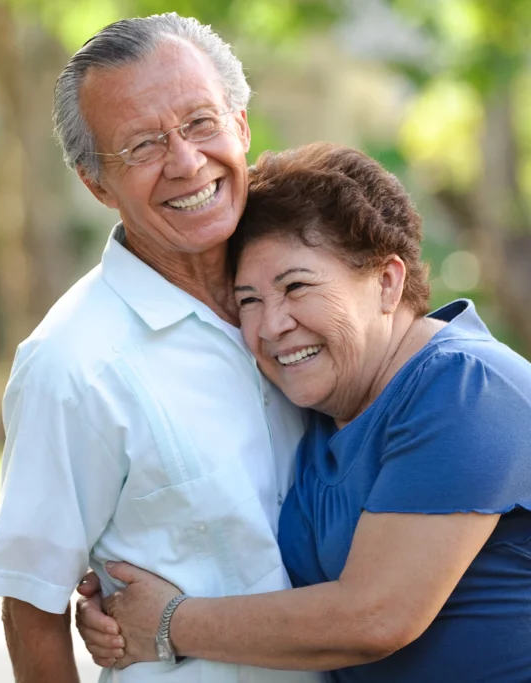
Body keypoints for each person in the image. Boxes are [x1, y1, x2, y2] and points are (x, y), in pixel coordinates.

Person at [75, 142, 531, 682]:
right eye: (248, 300)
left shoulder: (467, 386)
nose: (271, 326)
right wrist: (118, 591)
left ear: (388, 281)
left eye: (296, 287)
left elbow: (374, 617)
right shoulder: (323, 408)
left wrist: (170, 623)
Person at [0, 12, 320, 683]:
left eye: (201, 122)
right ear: (95, 184)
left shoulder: (312, 297)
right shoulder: (74, 363)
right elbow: (31, 605)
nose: (186, 162)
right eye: (141, 146)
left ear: (242, 126)